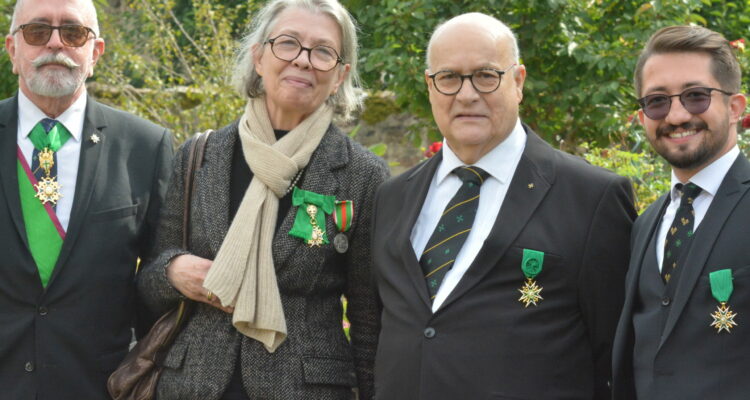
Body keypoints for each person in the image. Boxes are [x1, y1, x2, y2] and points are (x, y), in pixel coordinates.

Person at [371, 12, 637, 400]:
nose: (466, 94)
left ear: (518, 81)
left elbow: (615, 357)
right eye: (448, 78)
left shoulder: (591, 197)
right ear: (430, 86)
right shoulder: (392, 197)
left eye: (485, 75)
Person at [137, 0, 388, 399]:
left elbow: (367, 313)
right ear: (258, 57)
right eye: (288, 43)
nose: (303, 61)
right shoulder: (200, 156)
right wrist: (173, 271)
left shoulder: (362, 175)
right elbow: (149, 279)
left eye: (323, 51)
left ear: (340, 75)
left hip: (305, 388)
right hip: (192, 385)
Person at [0, 0, 173, 398]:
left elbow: (158, 282)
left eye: (73, 33)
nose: (55, 44)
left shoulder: (146, 147)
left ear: (95, 53)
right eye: (37, 31)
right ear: (13, 49)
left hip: (100, 386)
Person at [612, 25, 750, 400]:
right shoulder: (645, 225)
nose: (675, 115)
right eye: (657, 101)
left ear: (735, 107)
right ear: (642, 116)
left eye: (695, 96)